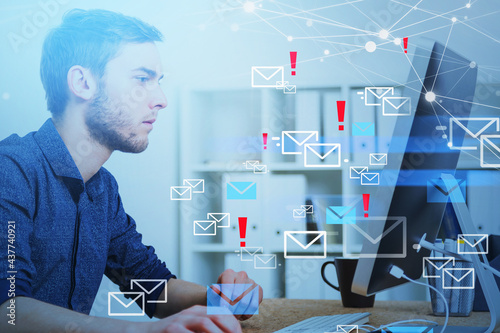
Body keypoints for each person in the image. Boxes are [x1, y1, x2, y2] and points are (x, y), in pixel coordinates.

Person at [0, 9, 262, 333]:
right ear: (83, 83)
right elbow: (7, 310)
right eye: (142, 79)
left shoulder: (102, 189)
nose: (161, 100)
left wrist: (220, 297)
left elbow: (152, 287)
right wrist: (144, 331)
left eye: (158, 82)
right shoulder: (10, 172)